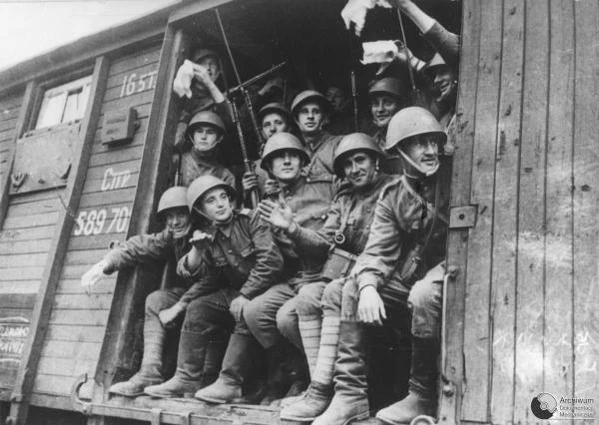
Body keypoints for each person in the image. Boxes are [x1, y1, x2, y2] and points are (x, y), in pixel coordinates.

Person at [313, 107, 450, 425]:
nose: (430, 151)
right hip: (412, 278)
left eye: (433, 142)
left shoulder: (454, 178)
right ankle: (349, 396)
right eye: (419, 143)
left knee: (423, 295)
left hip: (453, 271)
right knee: (351, 287)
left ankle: (422, 395)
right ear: (400, 150)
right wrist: (368, 286)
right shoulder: (393, 195)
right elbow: (377, 251)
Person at [257, 133, 394, 421]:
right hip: (346, 275)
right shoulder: (344, 198)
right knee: (305, 299)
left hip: (382, 275)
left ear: (376, 161)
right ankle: (320, 390)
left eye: (360, 160)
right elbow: (326, 243)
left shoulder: (392, 189)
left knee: (331, 293)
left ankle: (334, 391)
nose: (354, 169)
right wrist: (293, 229)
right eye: (347, 165)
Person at [145, 175, 284, 399]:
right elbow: (210, 279)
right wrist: (181, 304)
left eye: (223, 197)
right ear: (201, 210)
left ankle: (230, 382)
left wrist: (245, 294)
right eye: (211, 201)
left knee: (246, 311)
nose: (220, 204)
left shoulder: (251, 219)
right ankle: (186, 379)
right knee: (199, 308)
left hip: (268, 290)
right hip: (238, 293)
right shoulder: (209, 236)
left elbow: (271, 261)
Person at [236, 133, 336, 405]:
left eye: (293, 155)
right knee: (255, 312)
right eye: (279, 157)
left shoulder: (328, 187)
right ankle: (299, 374)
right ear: (269, 168)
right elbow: (270, 256)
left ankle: (324, 381)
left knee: (285, 318)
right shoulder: (267, 205)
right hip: (297, 278)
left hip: (328, 272)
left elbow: (331, 240)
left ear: (303, 162)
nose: (287, 160)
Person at [80, 187, 194, 397]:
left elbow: (210, 282)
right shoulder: (173, 237)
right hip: (193, 295)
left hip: (211, 296)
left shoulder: (206, 234)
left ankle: (192, 380)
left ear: (193, 213)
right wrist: (104, 265)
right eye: (169, 217)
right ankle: (150, 372)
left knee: (200, 307)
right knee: (156, 301)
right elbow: (138, 246)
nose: (175, 222)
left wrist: (179, 307)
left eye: (181, 215)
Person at [241, 102, 293, 200]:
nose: (272, 129)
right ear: (262, 132)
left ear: (288, 128)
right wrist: (247, 193)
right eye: (267, 125)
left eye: (278, 123)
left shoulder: (299, 159)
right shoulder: (255, 168)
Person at [291, 90, 343, 180]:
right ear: (296, 119)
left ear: (324, 118)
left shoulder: (338, 144)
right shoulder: (298, 153)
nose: (310, 116)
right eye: (304, 111)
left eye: (316, 111)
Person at [179, 110, 236, 187]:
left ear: (219, 138)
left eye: (210, 132)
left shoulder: (225, 176)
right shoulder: (179, 162)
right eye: (199, 131)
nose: (203, 137)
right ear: (192, 136)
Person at [367, 77, 410, 150]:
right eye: (376, 104)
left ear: (400, 106)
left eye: (388, 103)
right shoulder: (373, 144)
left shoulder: (411, 139)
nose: (380, 109)